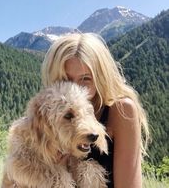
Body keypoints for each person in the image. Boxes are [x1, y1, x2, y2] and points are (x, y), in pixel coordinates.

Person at [41, 33, 150, 188]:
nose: (75, 90)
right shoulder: (48, 114)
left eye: (86, 79)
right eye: (65, 80)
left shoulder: (121, 111)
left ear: (100, 76)